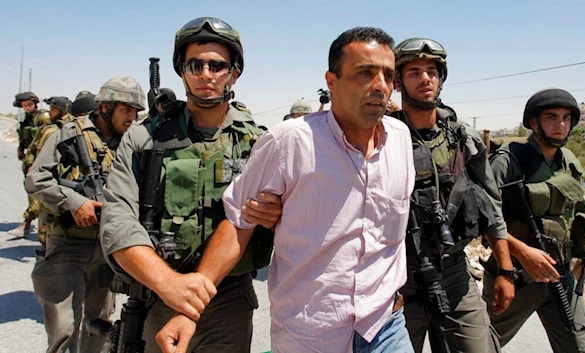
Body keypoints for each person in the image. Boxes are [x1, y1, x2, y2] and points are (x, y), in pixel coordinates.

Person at [157, 26, 416, 353]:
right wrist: (188, 311)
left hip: (385, 326)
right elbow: (239, 222)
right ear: (331, 81)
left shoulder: (401, 140)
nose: (380, 85)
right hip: (312, 335)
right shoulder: (289, 142)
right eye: (365, 73)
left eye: (388, 75)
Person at [99, 17, 277, 353]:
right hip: (158, 295)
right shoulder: (145, 137)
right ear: (182, 71)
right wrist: (170, 285)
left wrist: (274, 214)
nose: (206, 75)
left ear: (234, 72)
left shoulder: (257, 143)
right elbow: (117, 223)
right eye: (196, 65)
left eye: (217, 66)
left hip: (228, 302)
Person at [388, 37, 514, 353]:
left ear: (441, 78)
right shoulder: (380, 136)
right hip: (396, 278)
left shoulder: (463, 139)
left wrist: (506, 270)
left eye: (432, 70)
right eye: (414, 71)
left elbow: (492, 208)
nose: (425, 78)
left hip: (454, 272)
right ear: (398, 82)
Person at [26, 76, 145, 353]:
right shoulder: (68, 134)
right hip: (68, 246)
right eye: (126, 110)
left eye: (136, 112)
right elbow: (37, 180)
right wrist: (74, 202)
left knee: (99, 328)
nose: (132, 117)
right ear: (106, 107)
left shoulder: (131, 142)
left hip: (107, 248)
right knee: (64, 332)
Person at [482, 88, 585, 353]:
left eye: (567, 118)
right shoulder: (509, 160)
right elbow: (482, 216)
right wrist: (519, 257)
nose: (561, 124)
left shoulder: (568, 161)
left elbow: (574, 214)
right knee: (481, 346)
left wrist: (578, 257)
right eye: (551, 117)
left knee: (582, 346)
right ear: (534, 122)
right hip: (516, 276)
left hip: (561, 274)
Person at [23, 96, 74, 250]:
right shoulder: (47, 129)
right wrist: (30, 165)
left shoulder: (71, 130)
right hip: (45, 179)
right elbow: (32, 150)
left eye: (54, 109)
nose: (50, 112)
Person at [9, 91, 50, 237]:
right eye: (24, 105)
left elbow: (49, 137)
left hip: (40, 160)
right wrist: (21, 149)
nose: (27, 107)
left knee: (36, 192)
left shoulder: (43, 117)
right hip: (29, 158)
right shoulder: (26, 119)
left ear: (35, 104)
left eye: (29, 104)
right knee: (32, 191)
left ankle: (26, 224)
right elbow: (24, 136)